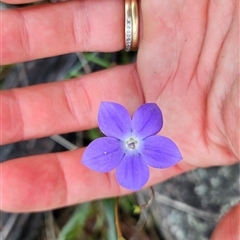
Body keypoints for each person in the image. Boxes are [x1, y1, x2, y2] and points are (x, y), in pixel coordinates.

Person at [1, 0, 239, 239]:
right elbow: (128, 124)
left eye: (132, 142)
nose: (132, 144)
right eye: (132, 142)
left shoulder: (145, 128)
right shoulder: (115, 131)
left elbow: (151, 116)